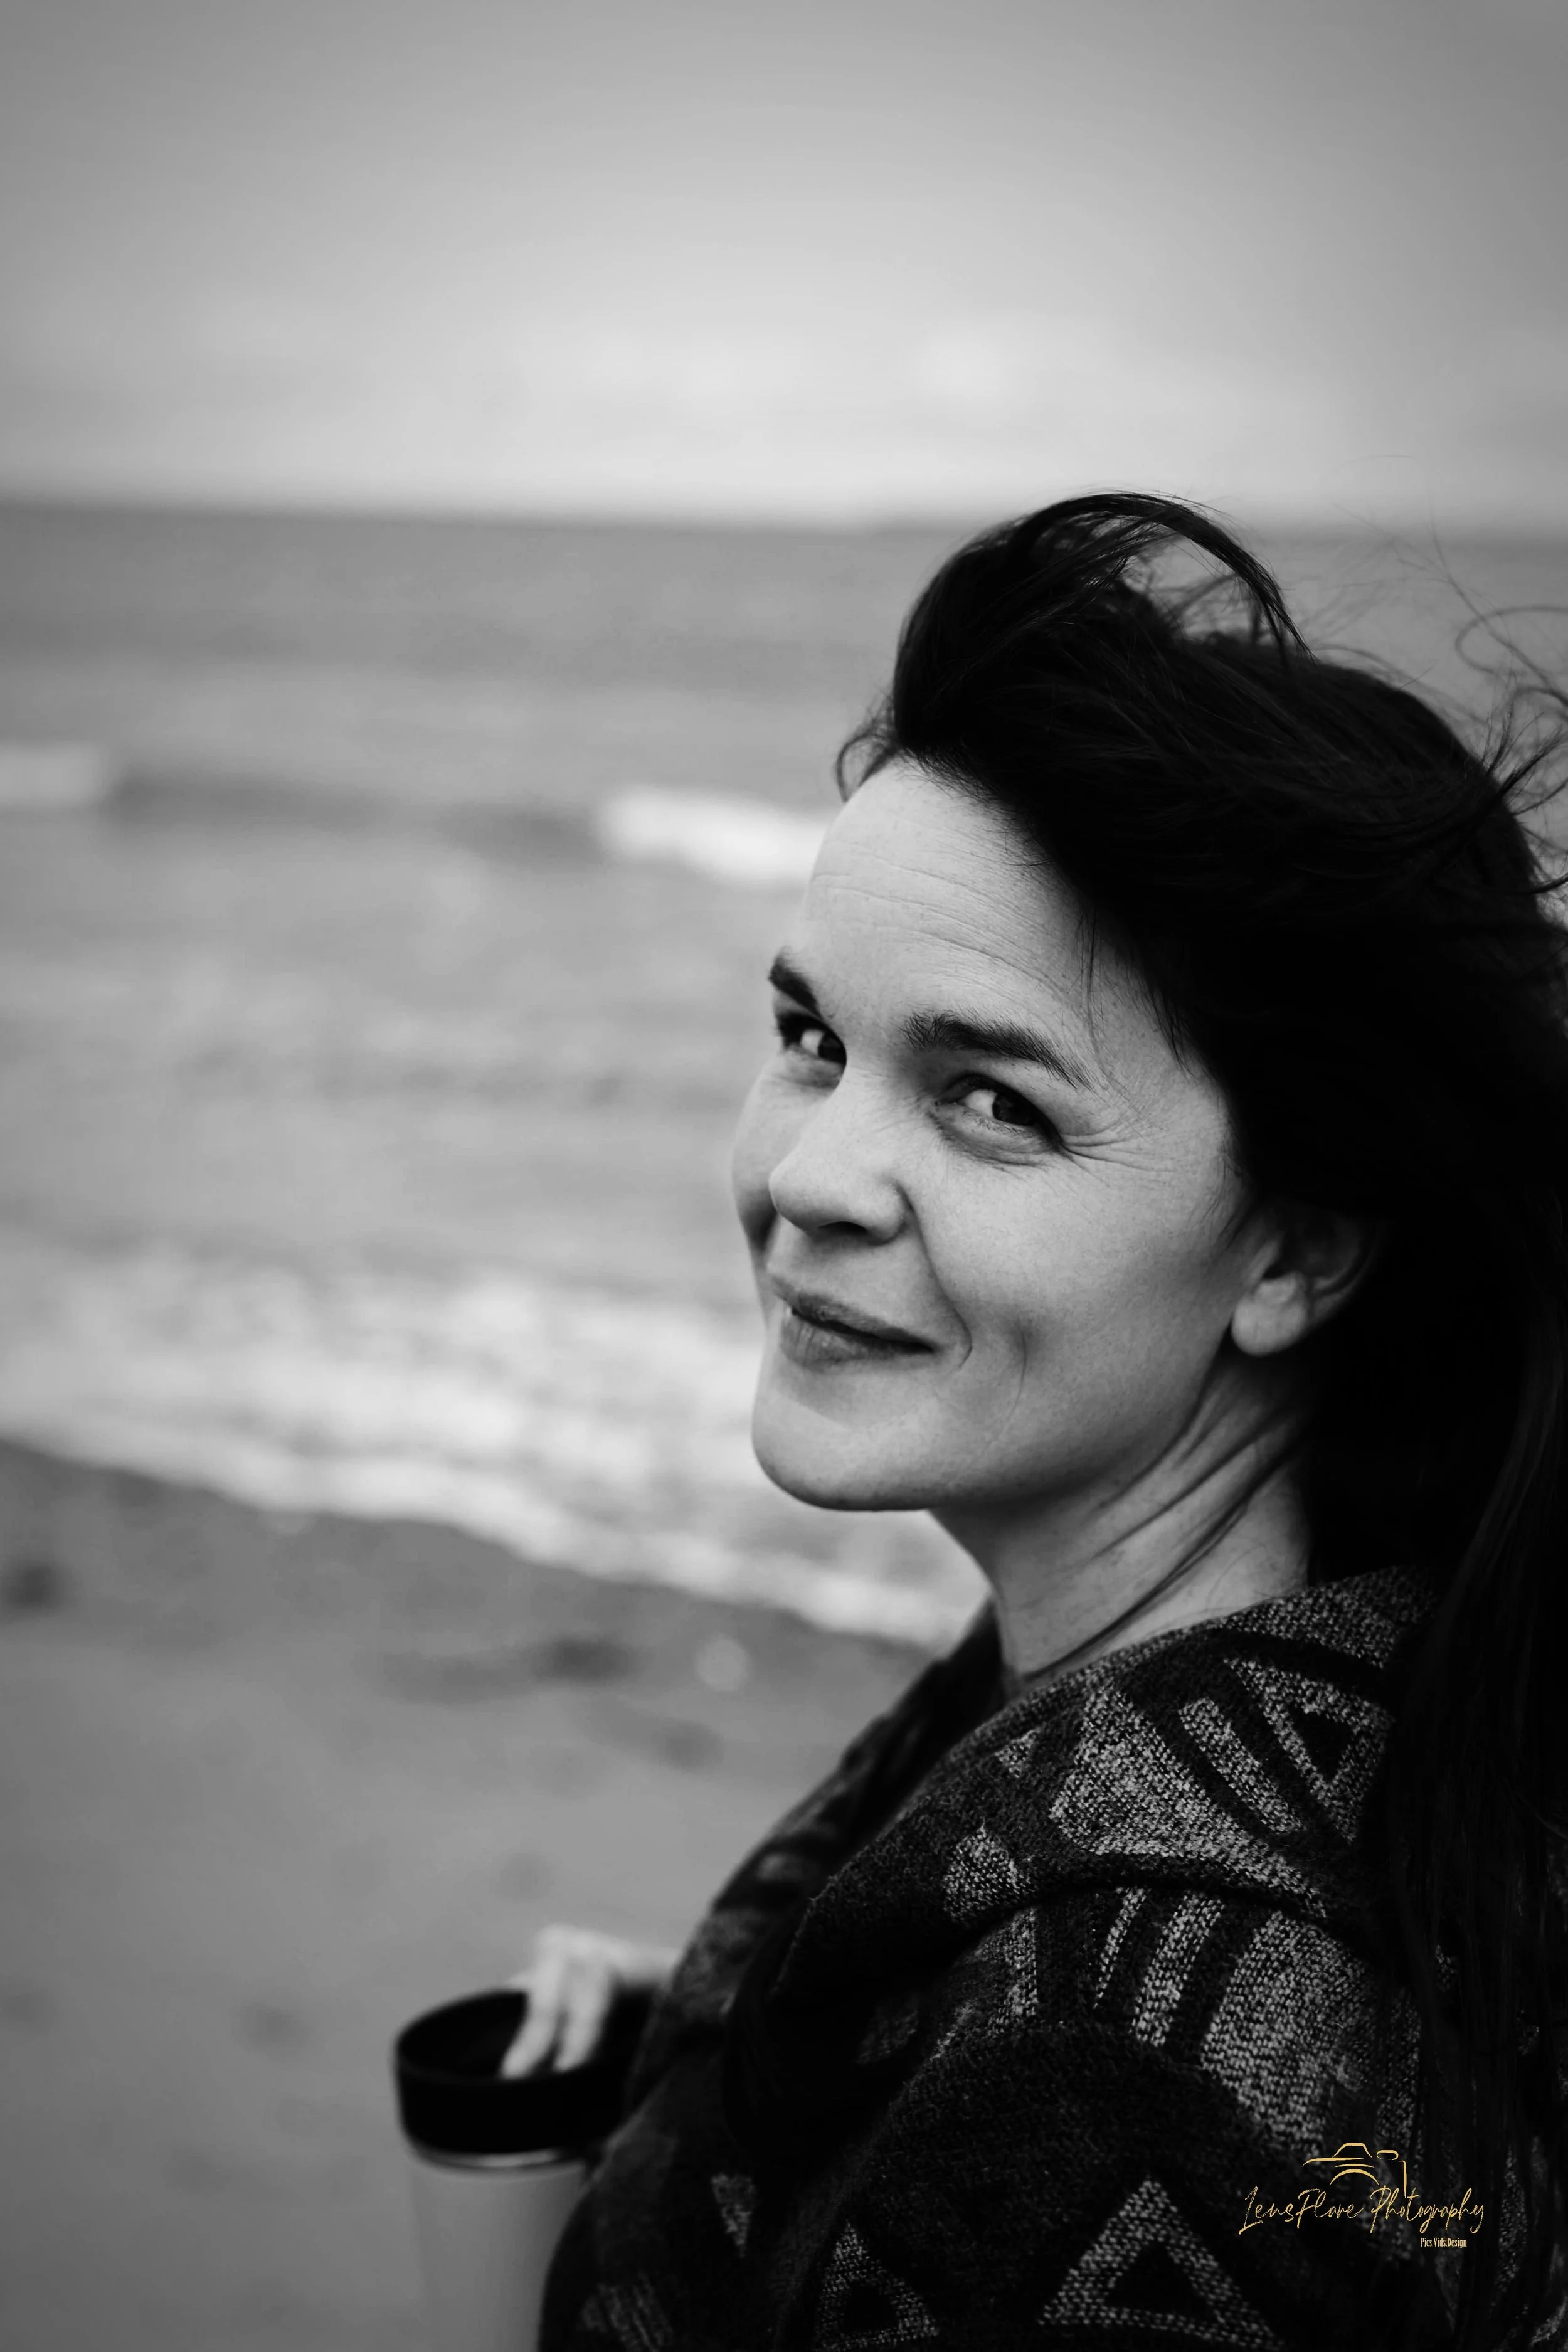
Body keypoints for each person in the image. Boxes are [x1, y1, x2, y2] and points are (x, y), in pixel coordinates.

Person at [506, 495, 1568, 2349]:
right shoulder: (1357, 1705)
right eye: (811, 1035)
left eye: (990, 1098)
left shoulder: (1098, 2086)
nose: (815, 1176)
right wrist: (715, 2060)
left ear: (1300, 1246)